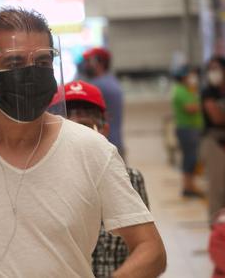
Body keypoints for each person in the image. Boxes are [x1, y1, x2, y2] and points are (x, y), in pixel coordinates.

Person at [0, 8, 166, 277]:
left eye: (42, 62)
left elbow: (151, 249)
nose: (29, 76)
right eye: (14, 63)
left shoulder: (91, 149)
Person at [53, 80, 151, 277]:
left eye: (86, 125)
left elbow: (145, 249)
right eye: (69, 125)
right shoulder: (45, 182)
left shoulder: (129, 179)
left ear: (104, 127)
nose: (77, 135)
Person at [200, 56, 225, 220]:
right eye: (211, 69)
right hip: (214, 141)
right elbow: (216, 117)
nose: (214, 73)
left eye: (217, 68)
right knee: (217, 187)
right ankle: (216, 226)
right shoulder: (208, 92)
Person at [82, 47, 125, 156]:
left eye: (88, 61)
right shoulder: (110, 81)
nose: (85, 65)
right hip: (114, 144)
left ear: (99, 63)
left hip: (106, 149)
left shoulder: (99, 86)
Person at [171, 65, 204, 197]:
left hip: (192, 128)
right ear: (184, 76)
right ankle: (187, 187)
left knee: (192, 158)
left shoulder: (187, 90)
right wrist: (206, 103)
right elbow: (190, 108)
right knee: (189, 158)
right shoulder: (180, 90)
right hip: (186, 129)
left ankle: (190, 186)